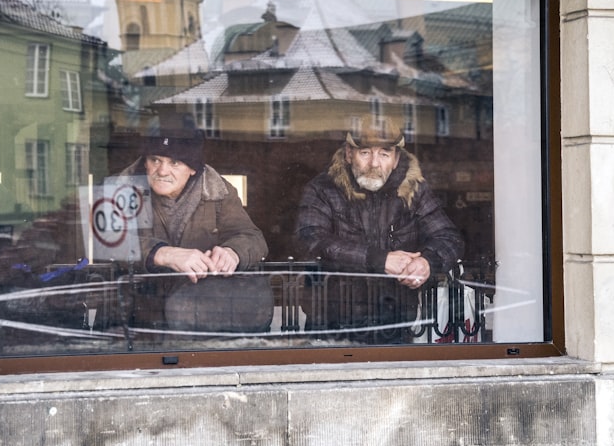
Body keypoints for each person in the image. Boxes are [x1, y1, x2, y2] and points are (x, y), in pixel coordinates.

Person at [295, 116, 464, 342]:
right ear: (348, 154)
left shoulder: (414, 190)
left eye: (384, 154)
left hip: (396, 323)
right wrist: (379, 259)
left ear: (395, 160)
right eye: (365, 152)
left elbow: (449, 238)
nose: (374, 163)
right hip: (332, 324)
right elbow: (311, 240)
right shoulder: (323, 189)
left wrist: (426, 263)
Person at [117, 125, 270, 334]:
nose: (162, 171)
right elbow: (108, 242)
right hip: (134, 321)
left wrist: (233, 252)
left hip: (201, 319)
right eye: (155, 160)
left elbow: (252, 237)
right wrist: (162, 253)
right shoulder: (120, 188)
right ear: (145, 162)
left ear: (193, 168)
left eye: (175, 162)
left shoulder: (219, 192)